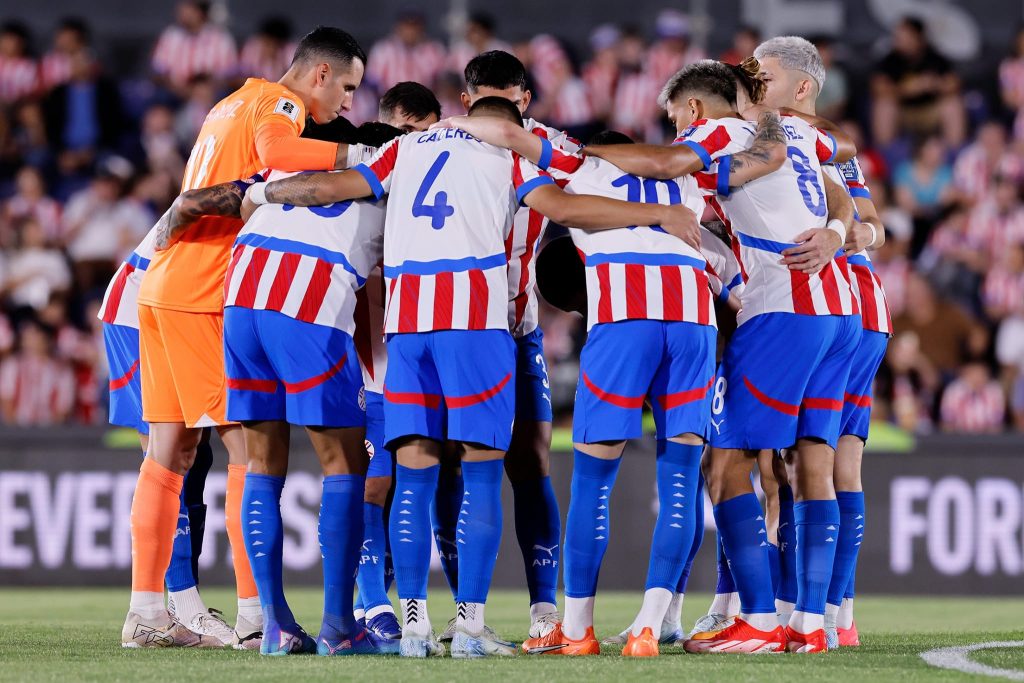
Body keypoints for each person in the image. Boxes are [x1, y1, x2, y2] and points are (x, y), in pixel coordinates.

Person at [242, 96, 702, 658]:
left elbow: (331, 187)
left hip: (407, 324)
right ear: (507, 121)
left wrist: (262, 194)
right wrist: (656, 214)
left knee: (414, 476)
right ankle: (468, 628)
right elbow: (566, 208)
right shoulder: (508, 154)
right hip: (474, 321)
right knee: (481, 476)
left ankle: (413, 627)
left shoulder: (403, 147)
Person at [586, 58, 857, 654]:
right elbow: (840, 186)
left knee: (725, 461)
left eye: (674, 119)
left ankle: (757, 620)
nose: (676, 131)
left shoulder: (717, 132)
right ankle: (810, 622)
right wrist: (837, 233)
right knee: (810, 464)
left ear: (692, 109)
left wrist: (582, 149)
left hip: (784, 307)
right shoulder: (795, 133)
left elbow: (665, 165)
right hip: (841, 311)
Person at [121, 25, 366, 649]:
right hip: (206, 291)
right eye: (346, 87)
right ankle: (258, 617)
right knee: (248, 452)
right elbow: (280, 151)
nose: (347, 102)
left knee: (167, 455)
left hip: (164, 284)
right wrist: (360, 154)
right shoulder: (279, 104)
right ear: (319, 73)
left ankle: (146, 612)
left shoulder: (228, 103)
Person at [223, 121, 412, 656]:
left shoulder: (288, 169)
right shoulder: (391, 179)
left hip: (240, 295)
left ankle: (275, 627)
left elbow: (245, 205)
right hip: (307, 296)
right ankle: (340, 627)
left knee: (261, 464)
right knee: (344, 466)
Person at [755, 35, 892, 649]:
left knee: (791, 461)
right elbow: (873, 224)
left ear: (803, 86)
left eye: (764, 76)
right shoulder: (831, 145)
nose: (755, 85)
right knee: (834, 464)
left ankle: (792, 611)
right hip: (858, 308)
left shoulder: (806, 140)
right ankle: (836, 616)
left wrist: (848, 235)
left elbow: (874, 226)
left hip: (829, 303)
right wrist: (855, 230)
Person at [348, 82, 442, 647]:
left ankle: (371, 600)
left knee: (407, 483)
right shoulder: (359, 201)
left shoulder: (415, 206)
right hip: (365, 368)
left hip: (410, 359)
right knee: (373, 484)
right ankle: (373, 602)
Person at [151, 0, 237, 95]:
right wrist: (180, 89)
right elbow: (158, 70)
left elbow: (229, 74)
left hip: (211, 92)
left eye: (187, 8)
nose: (181, 12)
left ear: (200, 12)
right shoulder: (170, 35)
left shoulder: (220, 38)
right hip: (174, 92)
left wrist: (205, 86)